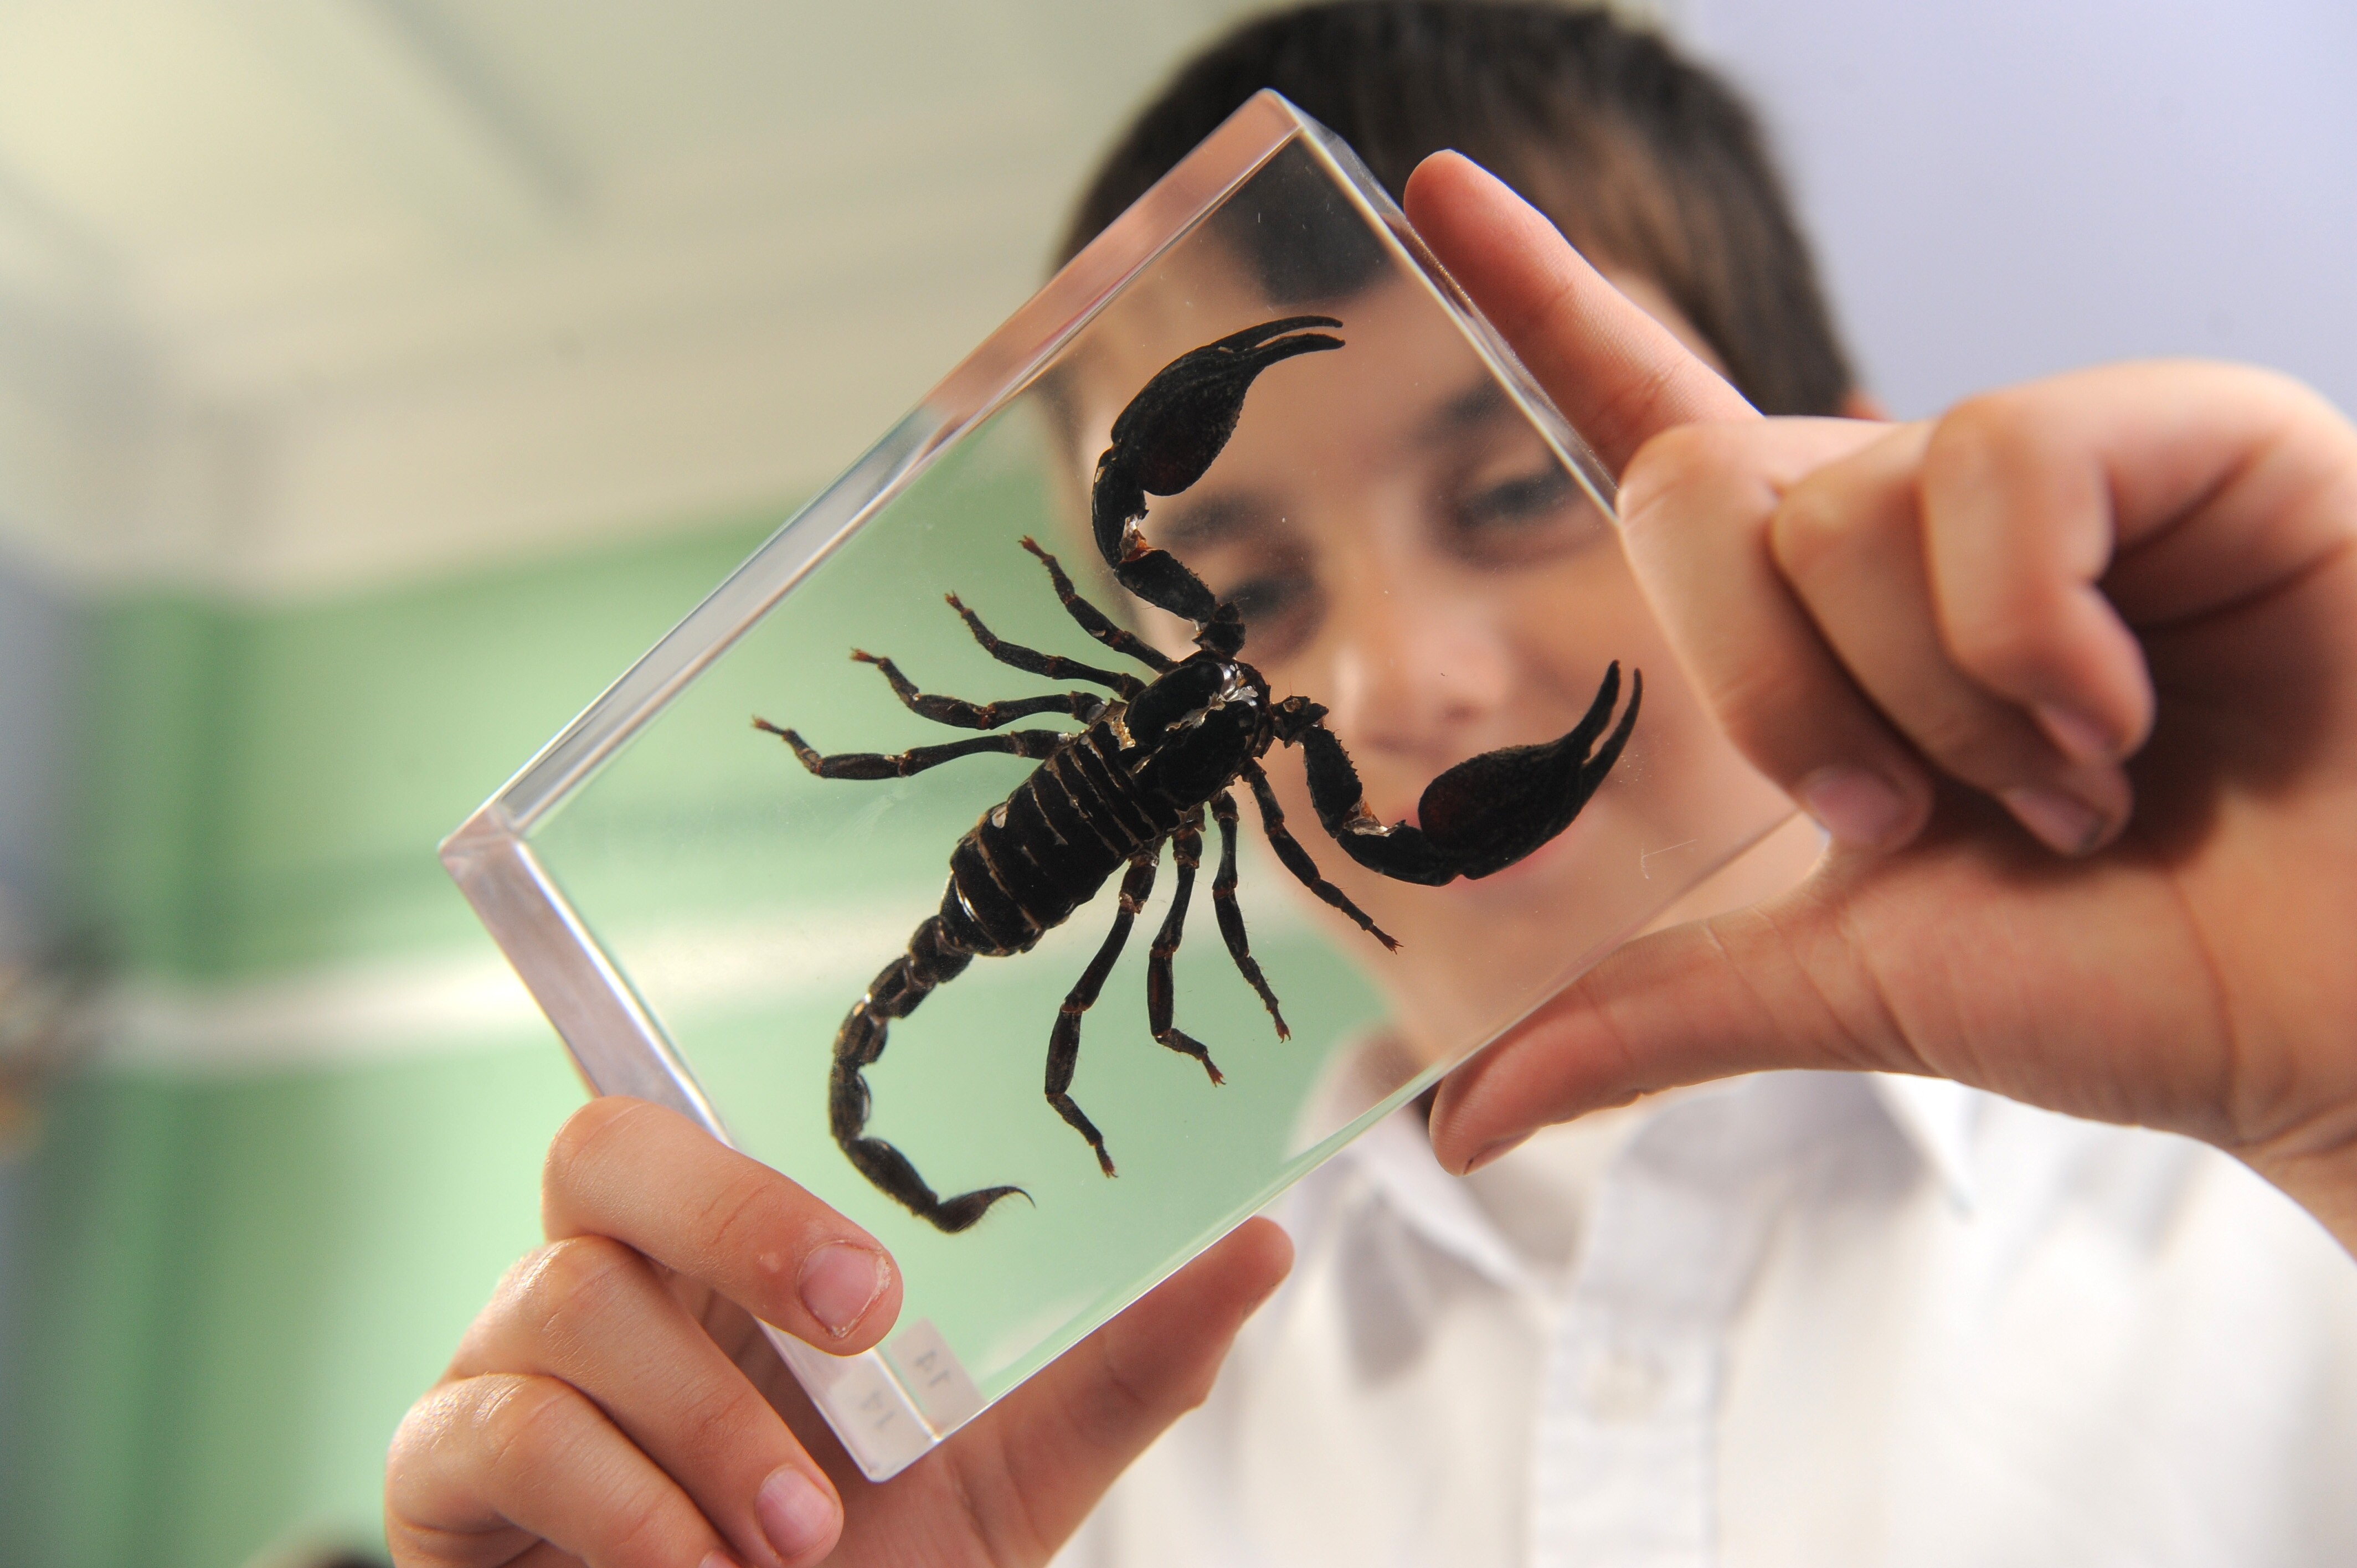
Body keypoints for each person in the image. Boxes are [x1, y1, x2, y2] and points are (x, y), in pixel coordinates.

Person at [384, 7, 2357, 1567]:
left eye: (1511, 492)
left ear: (1829, 472)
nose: (1390, 677)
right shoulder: (1073, 1457)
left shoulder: (2275, 1190)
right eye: (1248, 584)